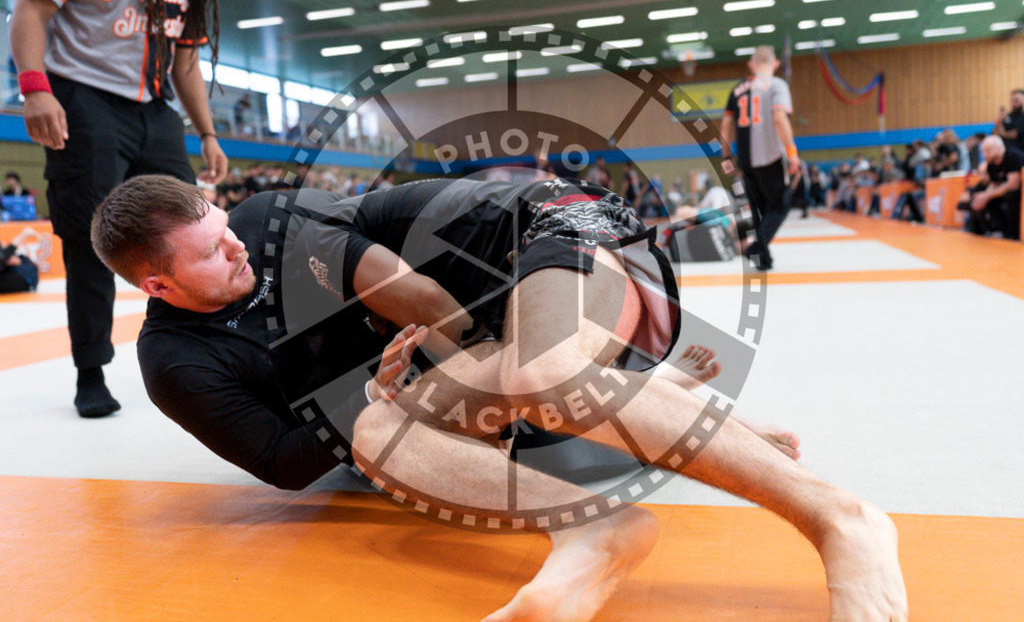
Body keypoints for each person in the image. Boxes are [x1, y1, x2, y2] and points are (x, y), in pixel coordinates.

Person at [92, 174, 907, 621]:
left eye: (222, 222)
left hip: (553, 231)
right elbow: (282, 461)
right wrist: (381, 393)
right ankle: (594, 528)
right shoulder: (175, 363)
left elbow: (427, 303)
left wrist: (469, 394)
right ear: (158, 284)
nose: (235, 245)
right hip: (502, 335)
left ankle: (839, 517)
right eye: (210, 251)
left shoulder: (273, 221)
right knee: (376, 435)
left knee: (539, 376)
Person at [10, 0, 228, 417]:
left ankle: (208, 351)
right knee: (88, 239)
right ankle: (91, 371)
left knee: (194, 226)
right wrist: (34, 88)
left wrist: (208, 133)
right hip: (84, 96)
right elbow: (29, 9)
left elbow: (185, 65)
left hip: (155, 109)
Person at [720, 46, 801, 271]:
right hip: (771, 157)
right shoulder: (777, 85)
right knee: (780, 205)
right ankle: (756, 248)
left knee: (760, 210)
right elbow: (779, 118)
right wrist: (792, 154)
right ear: (776, 64)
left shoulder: (737, 89)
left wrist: (726, 157)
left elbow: (725, 125)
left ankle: (763, 259)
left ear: (751, 65)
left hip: (745, 159)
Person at [964, 135, 1022, 240]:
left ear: (999, 148)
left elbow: (1013, 184)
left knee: (1011, 196)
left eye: (987, 151)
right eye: (983, 151)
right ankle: (998, 230)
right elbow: (994, 183)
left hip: (1019, 191)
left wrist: (988, 195)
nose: (984, 154)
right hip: (1006, 190)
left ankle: (1014, 234)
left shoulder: (1013, 156)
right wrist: (984, 196)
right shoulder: (991, 164)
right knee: (982, 198)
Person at [0, 227, 40, 294]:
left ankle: (24, 234)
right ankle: (25, 234)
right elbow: (4, 256)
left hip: (23, 282)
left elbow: (5, 256)